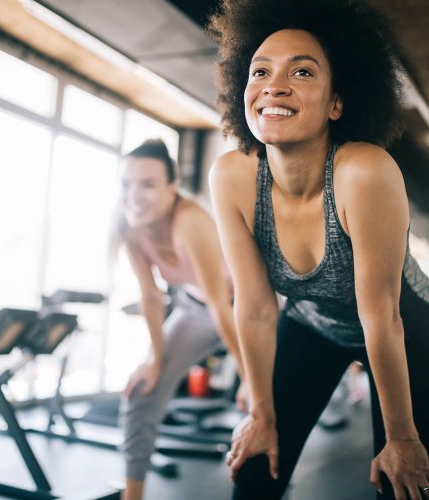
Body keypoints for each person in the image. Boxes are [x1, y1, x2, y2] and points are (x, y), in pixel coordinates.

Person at [206, 0, 429, 498]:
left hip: (406, 326)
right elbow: (258, 307)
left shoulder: (364, 172)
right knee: (254, 469)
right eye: (259, 71)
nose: (273, 85)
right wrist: (260, 414)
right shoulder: (233, 177)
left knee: (404, 483)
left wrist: (402, 438)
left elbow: (382, 317)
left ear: (337, 103)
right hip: (312, 324)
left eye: (301, 71)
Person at [112, 139, 246, 500]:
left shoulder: (190, 221)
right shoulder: (130, 228)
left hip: (246, 309)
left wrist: (249, 377)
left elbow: (222, 305)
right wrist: (154, 361)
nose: (134, 195)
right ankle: (133, 495)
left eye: (148, 184)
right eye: (127, 183)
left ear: (172, 188)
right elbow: (151, 298)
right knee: (142, 390)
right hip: (193, 309)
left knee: (266, 399)